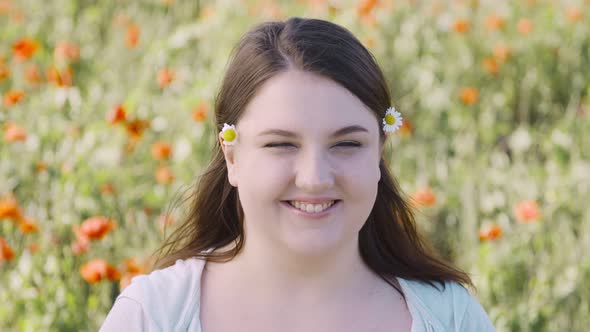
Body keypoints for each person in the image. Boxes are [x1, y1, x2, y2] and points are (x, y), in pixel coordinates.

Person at [100, 17, 495, 331]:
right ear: (232, 157)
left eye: (346, 144)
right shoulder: (154, 317)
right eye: (281, 144)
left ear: (379, 153)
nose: (315, 178)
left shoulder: (451, 318)